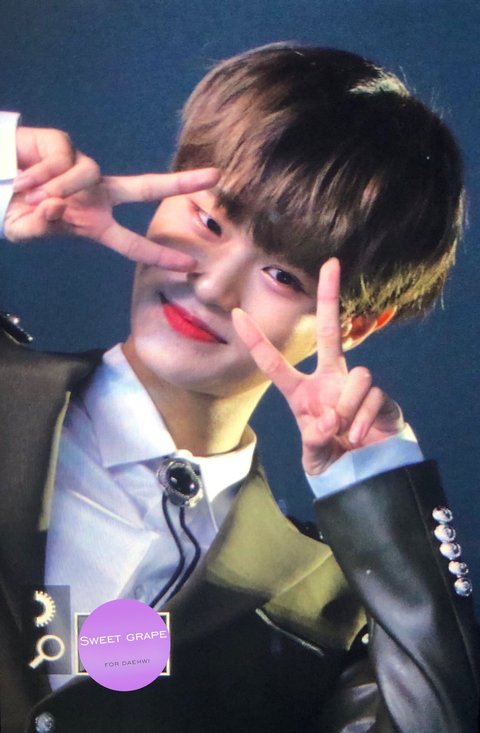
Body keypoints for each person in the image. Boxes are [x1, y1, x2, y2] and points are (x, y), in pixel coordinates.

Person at [0, 44, 478, 733]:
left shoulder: (328, 607)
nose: (213, 286)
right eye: (209, 221)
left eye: (282, 276)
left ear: (357, 323)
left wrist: (386, 501)